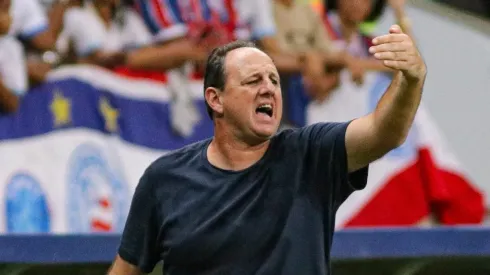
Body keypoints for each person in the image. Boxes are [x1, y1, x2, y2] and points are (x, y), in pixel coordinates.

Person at [108, 23, 427, 274]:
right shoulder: (164, 180)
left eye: (274, 81)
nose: (269, 89)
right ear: (215, 99)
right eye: (253, 81)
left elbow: (384, 133)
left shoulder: (311, 154)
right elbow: (126, 270)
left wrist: (410, 80)